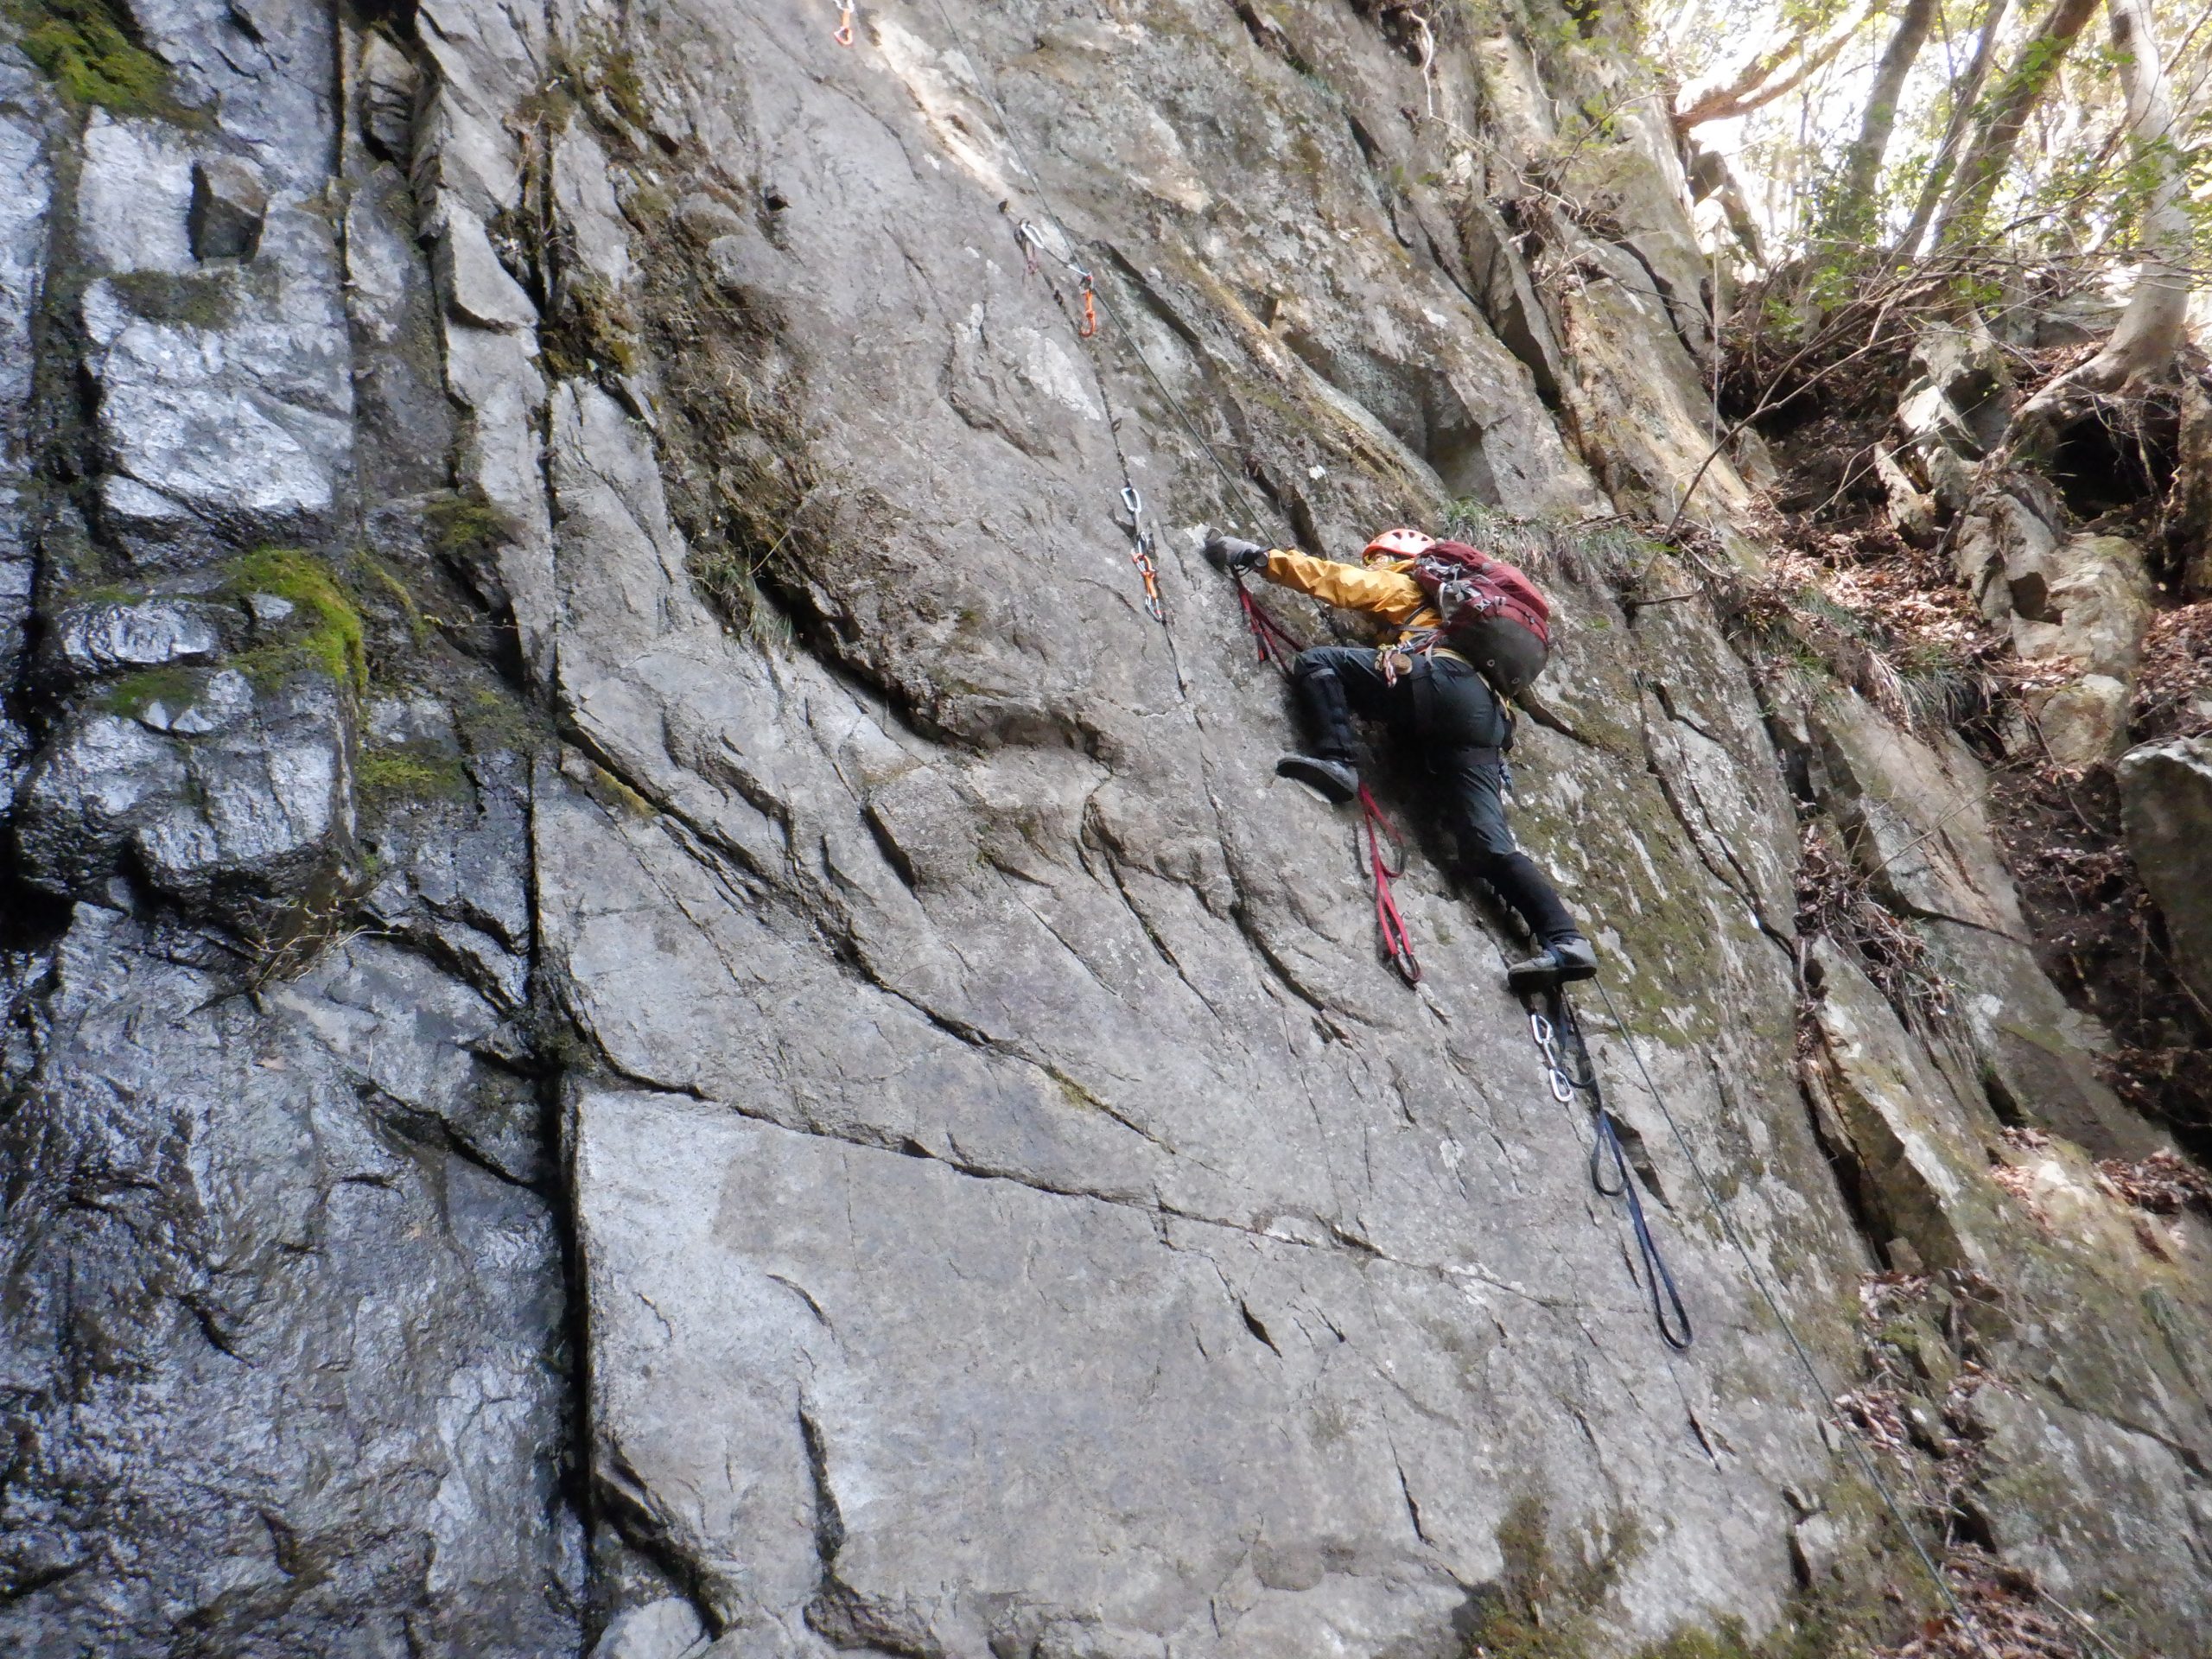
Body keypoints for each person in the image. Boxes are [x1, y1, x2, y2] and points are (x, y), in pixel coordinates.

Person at [1205, 526, 1597, 993]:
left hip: (1441, 680)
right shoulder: (1474, 623)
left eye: (1376, 559)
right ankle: (1567, 941)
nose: (1373, 567)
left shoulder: (1408, 582)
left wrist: (1255, 556)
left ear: (1397, 558)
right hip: (1486, 722)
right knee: (1487, 846)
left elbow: (1339, 582)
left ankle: (1338, 763)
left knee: (1318, 663)